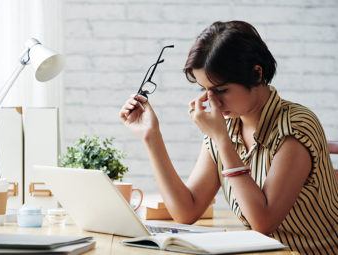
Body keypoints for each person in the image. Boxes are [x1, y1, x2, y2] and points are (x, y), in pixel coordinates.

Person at [119, 21, 338, 254]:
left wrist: (222, 140)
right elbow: (187, 211)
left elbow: (263, 222)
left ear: (256, 73)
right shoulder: (227, 126)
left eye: (221, 90)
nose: (212, 101)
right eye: (204, 90)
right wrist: (151, 137)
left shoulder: (296, 127)